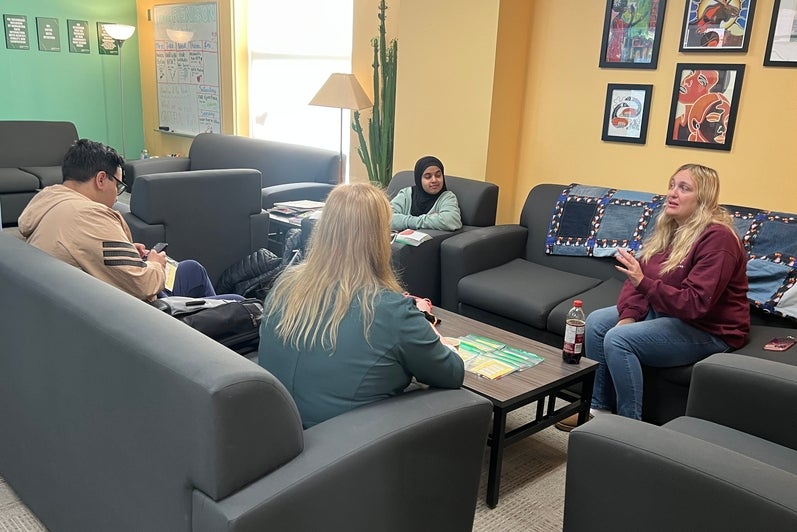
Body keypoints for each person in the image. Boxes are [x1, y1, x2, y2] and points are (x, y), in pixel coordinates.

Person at [557, 163, 749, 429]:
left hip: (710, 329)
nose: (672, 193)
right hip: (670, 312)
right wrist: (629, 315)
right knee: (597, 324)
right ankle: (598, 408)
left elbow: (695, 304)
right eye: (672, 185)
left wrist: (643, 284)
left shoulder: (719, 239)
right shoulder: (671, 229)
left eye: (684, 188)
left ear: (703, 198)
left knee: (618, 340)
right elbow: (639, 279)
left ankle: (629, 426)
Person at [259, 182, 464, 428]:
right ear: (378, 239)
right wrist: (432, 334)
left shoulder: (286, 284)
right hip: (351, 449)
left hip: (276, 431)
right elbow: (452, 373)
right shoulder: (389, 309)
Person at [18, 138, 232, 302]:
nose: (116, 195)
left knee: (191, 269)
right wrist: (154, 264)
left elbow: (90, 251)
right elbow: (143, 285)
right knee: (238, 303)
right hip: (135, 315)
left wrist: (127, 250)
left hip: (87, 299)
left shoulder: (50, 201)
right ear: (101, 179)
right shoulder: (89, 216)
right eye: (118, 185)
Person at [390, 155, 462, 231]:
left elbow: (451, 221)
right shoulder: (406, 194)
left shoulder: (447, 197)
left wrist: (402, 220)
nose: (434, 180)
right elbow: (385, 218)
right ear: (419, 179)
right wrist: (429, 220)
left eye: (438, 175)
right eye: (428, 176)